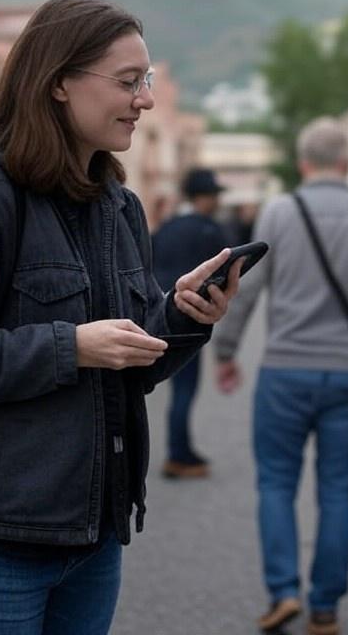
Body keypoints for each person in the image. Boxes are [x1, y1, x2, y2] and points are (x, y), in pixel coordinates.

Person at [0, 0, 244, 635]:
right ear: (57, 83)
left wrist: (185, 318)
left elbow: (126, 365)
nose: (146, 100)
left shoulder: (120, 207)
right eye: (128, 81)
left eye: (148, 80)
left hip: (97, 532)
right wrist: (71, 346)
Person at [213, 118, 348, 635]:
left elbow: (246, 288)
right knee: (337, 488)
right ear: (347, 162)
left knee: (275, 483)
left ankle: (283, 592)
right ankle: (325, 608)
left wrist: (226, 351)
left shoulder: (279, 211)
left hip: (285, 370)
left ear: (302, 164)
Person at [152, 167, 230, 478]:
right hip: (191, 316)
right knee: (185, 388)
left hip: (160, 311)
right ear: (206, 197)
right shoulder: (210, 231)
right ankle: (178, 454)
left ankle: (180, 448)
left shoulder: (167, 227)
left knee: (170, 386)